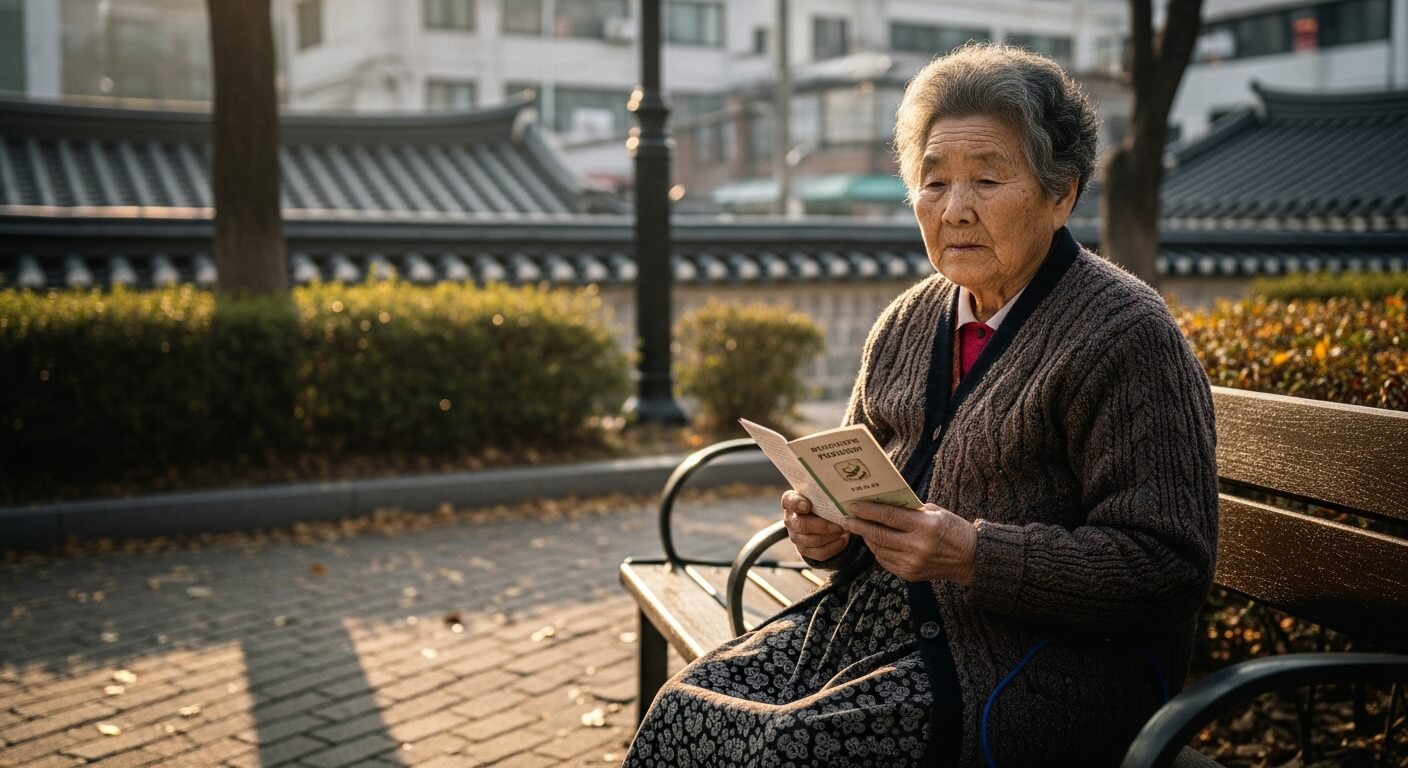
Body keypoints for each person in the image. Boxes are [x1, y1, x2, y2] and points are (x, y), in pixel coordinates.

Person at [623, 42, 1218, 768]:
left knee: (791, 749)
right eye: (933, 182)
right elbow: (852, 482)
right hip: (877, 631)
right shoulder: (908, 320)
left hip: (1044, 668)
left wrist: (977, 555)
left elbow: (1169, 565)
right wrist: (828, 533)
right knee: (687, 711)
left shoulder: (1125, 333)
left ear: (1061, 193)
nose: (956, 208)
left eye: (988, 179)